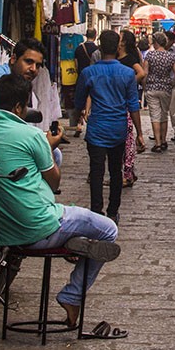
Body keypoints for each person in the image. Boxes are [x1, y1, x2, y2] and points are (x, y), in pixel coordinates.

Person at [0, 74, 121, 330]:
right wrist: (49, 146)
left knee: (70, 217)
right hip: (39, 225)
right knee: (108, 230)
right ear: (18, 107)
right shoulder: (31, 135)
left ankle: (75, 243)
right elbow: (54, 182)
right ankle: (72, 294)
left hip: (5, 230)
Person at [74, 30, 140, 222]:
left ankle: (96, 211)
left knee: (96, 171)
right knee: (115, 171)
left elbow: (79, 101)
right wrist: (139, 132)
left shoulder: (89, 72)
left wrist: (79, 116)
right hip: (117, 129)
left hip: (96, 129)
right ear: (117, 47)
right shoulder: (127, 73)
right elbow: (133, 104)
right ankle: (113, 210)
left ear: (100, 47)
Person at [118, 29, 147, 185]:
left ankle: (127, 174)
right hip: (121, 102)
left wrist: (129, 84)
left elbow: (141, 73)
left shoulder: (129, 59)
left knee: (128, 140)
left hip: (127, 102)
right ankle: (129, 171)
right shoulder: (116, 59)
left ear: (123, 43)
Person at [143, 32, 175, 152]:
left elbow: (145, 73)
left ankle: (157, 143)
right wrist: (171, 84)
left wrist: (144, 85)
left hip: (152, 88)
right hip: (166, 88)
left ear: (156, 42)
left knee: (155, 115)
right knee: (164, 114)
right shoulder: (171, 56)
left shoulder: (150, 55)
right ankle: (164, 141)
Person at [69, 28, 98, 136]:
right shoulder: (97, 50)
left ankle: (79, 124)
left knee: (80, 100)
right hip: (94, 78)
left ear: (86, 35)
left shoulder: (79, 49)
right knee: (91, 99)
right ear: (95, 36)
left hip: (82, 76)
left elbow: (76, 65)